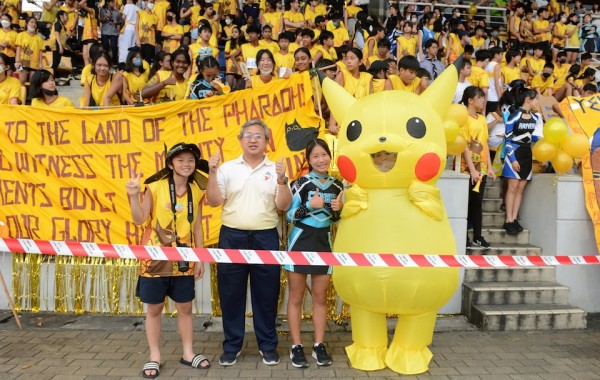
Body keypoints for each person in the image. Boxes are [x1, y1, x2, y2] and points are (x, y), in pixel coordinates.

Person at [205, 119, 292, 367]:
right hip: (232, 237)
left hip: (265, 237)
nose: (253, 140)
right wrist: (212, 172)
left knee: (266, 294)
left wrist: (282, 180)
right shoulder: (227, 168)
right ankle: (232, 346)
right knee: (231, 294)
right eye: (248, 136)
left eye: (258, 136)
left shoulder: (276, 169)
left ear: (266, 142)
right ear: (241, 140)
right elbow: (213, 201)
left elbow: (283, 206)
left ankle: (267, 345)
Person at [127, 143, 210, 379]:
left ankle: (188, 353)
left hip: (185, 258)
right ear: (170, 164)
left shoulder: (197, 190)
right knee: (155, 308)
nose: (186, 164)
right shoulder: (154, 187)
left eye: (191, 160)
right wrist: (133, 197)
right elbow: (140, 218)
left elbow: (198, 226)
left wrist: (200, 256)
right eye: (181, 160)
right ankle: (154, 356)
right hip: (155, 258)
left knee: (185, 307)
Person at [285, 138, 343, 369]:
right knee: (296, 297)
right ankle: (296, 346)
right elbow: (289, 216)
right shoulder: (300, 183)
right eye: (315, 156)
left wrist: (339, 211)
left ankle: (319, 344)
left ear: (330, 156)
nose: (321, 160)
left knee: (320, 298)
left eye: (324, 155)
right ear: (308, 160)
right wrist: (310, 206)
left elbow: (335, 218)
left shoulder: (338, 185)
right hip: (300, 240)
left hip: (324, 242)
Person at [460, 86, 496, 249]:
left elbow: (485, 144)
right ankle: (464, 236)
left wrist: (489, 166)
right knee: (465, 203)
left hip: (481, 167)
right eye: (479, 97)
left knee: (477, 203)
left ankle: (478, 236)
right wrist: (471, 169)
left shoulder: (482, 119)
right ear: (470, 100)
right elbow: (464, 146)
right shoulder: (463, 119)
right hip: (467, 167)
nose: (483, 100)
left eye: (483, 97)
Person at [502, 88, 540, 235]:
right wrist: (512, 159)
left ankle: (514, 218)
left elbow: (534, 137)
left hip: (527, 153)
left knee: (520, 189)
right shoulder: (513, 116)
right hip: (514, 153)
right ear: (528, 100)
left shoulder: (536, 118)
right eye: (536, 99)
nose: (538, 102)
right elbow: (507, 139)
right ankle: (508, 219)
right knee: (512, 188)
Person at [15, 17, 44, 85]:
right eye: (31, 22)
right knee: (22, 80)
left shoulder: (39, 38)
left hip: (35, 63)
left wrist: (40, 63)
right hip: (22, 62)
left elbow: (40, 51)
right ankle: (21, 95)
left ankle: (30, 95)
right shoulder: (20, 35)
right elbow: (18, 49)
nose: (34, 24)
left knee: (33, 82)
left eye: (35, 23)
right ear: (26, 23)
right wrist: (17, 61)